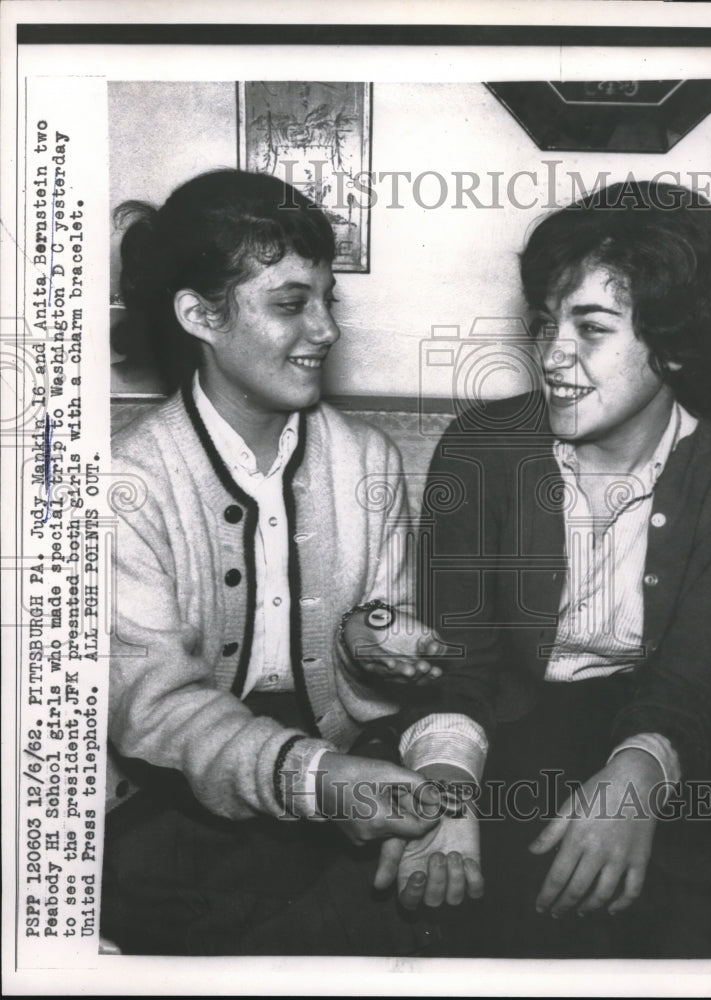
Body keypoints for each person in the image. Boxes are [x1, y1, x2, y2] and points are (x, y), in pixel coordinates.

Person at [382, 180, 711, 958]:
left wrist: (641, 775)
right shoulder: (483, 449)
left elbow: (698, 681)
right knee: (454, 901)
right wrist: (449, 790)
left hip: (664, 737)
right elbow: (458, 661)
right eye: (548, 326)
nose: (553, 357)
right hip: (502, 728)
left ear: (674, 342)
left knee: (690, 921)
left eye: (592, 328)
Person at [102, 169, 451, 956]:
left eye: (329, 299)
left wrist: (370, 645)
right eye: (292, 303)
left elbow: (371, 675)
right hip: (173, 792)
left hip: (343, 764)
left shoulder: (368, 462)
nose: (325, 329)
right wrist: (314, 781)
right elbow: (153, 710)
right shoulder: (126, 485)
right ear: (199, 315)